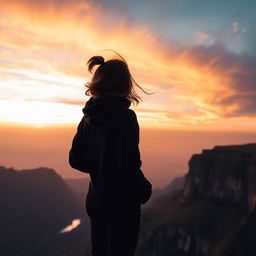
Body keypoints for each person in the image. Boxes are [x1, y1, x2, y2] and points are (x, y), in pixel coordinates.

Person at [68, 52, 152, 256]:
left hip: (96, 201)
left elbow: (75, 159)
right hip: (121, 206)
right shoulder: (125, 117)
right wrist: (144, 190)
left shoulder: (87, 116)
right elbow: (129, 166)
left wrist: (100, 167)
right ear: (125, 84)